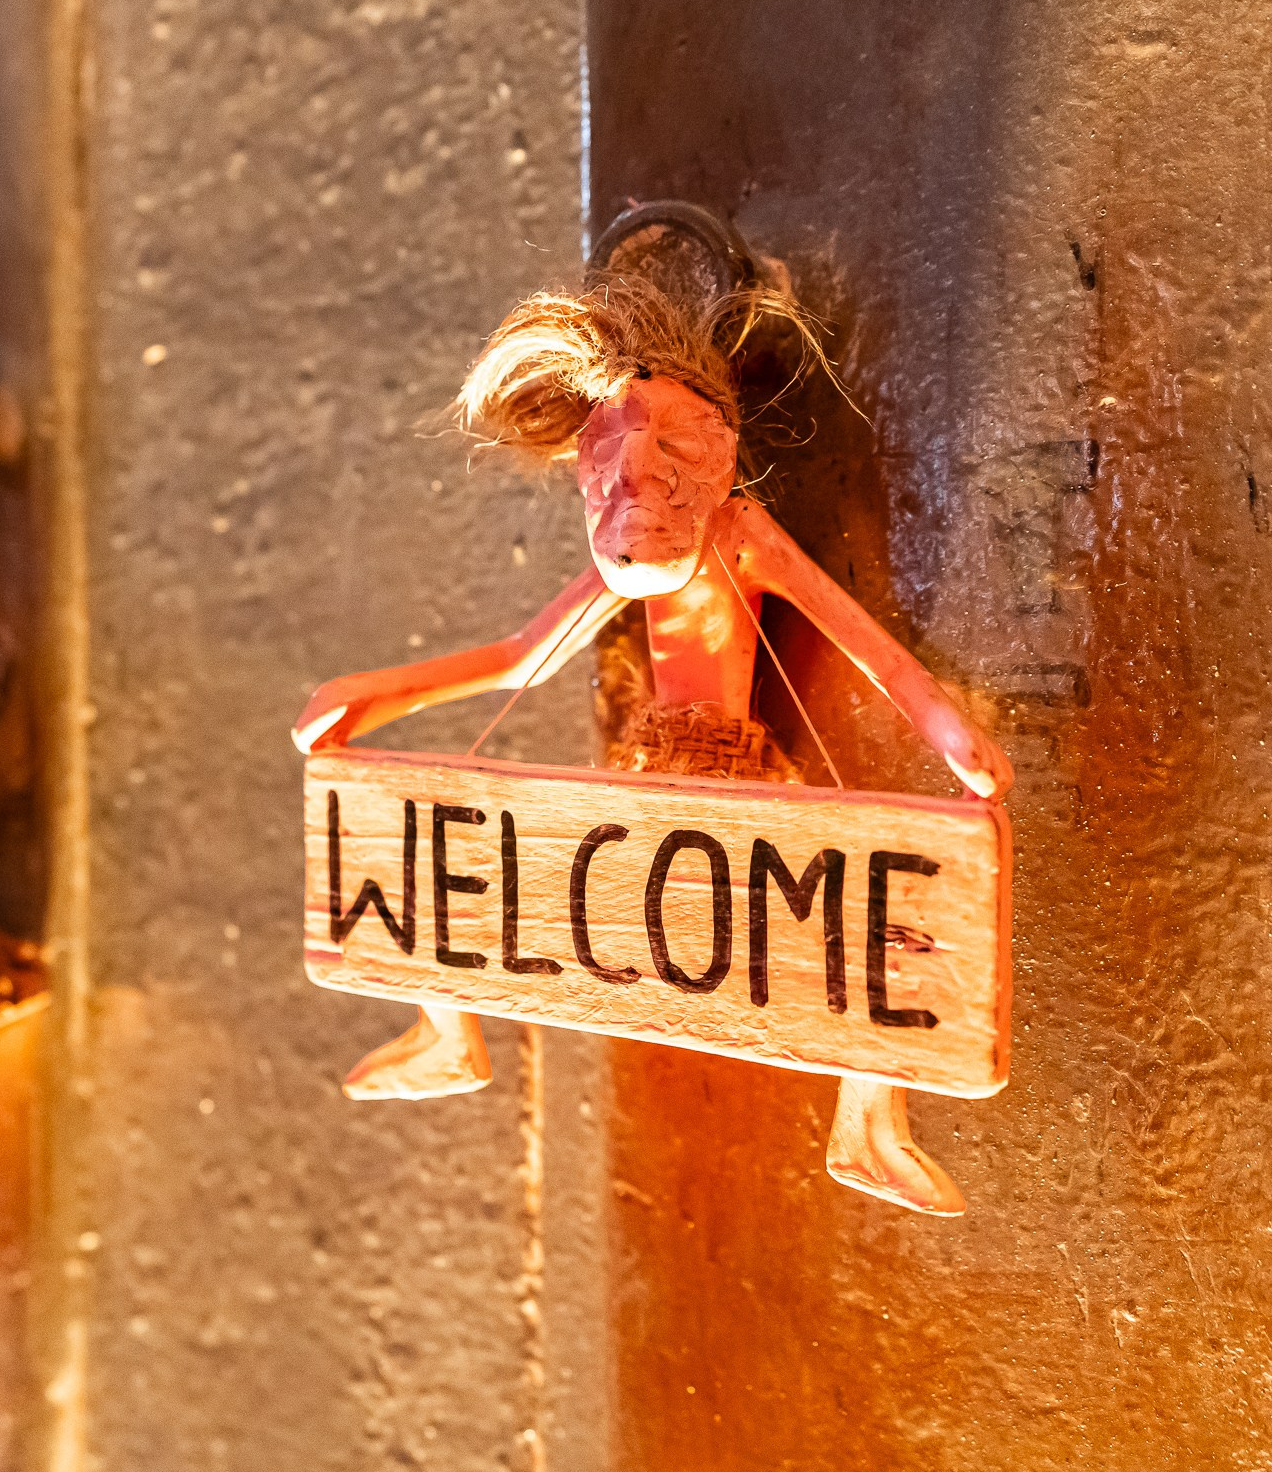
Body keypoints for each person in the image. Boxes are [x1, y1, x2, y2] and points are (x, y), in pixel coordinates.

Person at [293, 272, 1011, 1214]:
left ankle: (868, 1122)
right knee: (469, 867)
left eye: (671, 449)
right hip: (648, 774)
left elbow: (869, 650)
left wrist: (947, 731)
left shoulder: (742, 534)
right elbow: (520, 659)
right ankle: (449, 1030)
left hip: (732, 773)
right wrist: (367, 697)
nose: (641, 479)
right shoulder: (627, 563)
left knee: (842, 931)